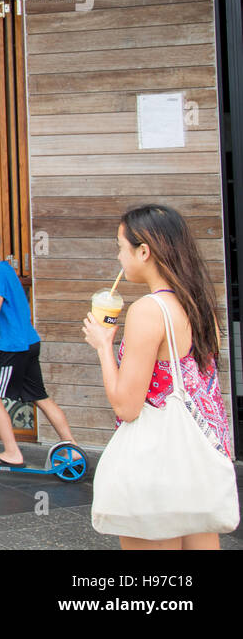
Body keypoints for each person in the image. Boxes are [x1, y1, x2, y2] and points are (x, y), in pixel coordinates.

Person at [82, 204, 234, 550]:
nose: (120, 258)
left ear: (144, 251)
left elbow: (127, 406)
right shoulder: (200, 305)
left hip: (157, 467)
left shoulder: (148, 311)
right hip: (197, 459)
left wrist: (104, 346)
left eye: (121, 247)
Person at [0, 223, 78, 465]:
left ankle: (12, 452)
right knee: (40, 397)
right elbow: (1, 296)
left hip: (13, 347)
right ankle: (72, 448)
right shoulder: (4, 269)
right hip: (30, 342)